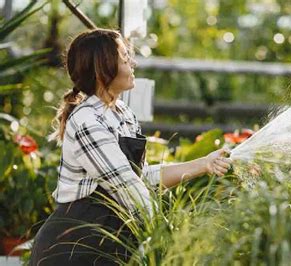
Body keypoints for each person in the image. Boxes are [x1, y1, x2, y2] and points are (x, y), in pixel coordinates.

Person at [29, 28, 232, 265]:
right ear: (102, 69)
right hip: (73, 248)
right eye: (125, 59)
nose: (132, 62)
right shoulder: (87, 121)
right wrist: (178, 235)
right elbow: (127, 187)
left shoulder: (123, 113)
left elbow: (141, 177)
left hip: (110, 244)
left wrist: (204, 163)